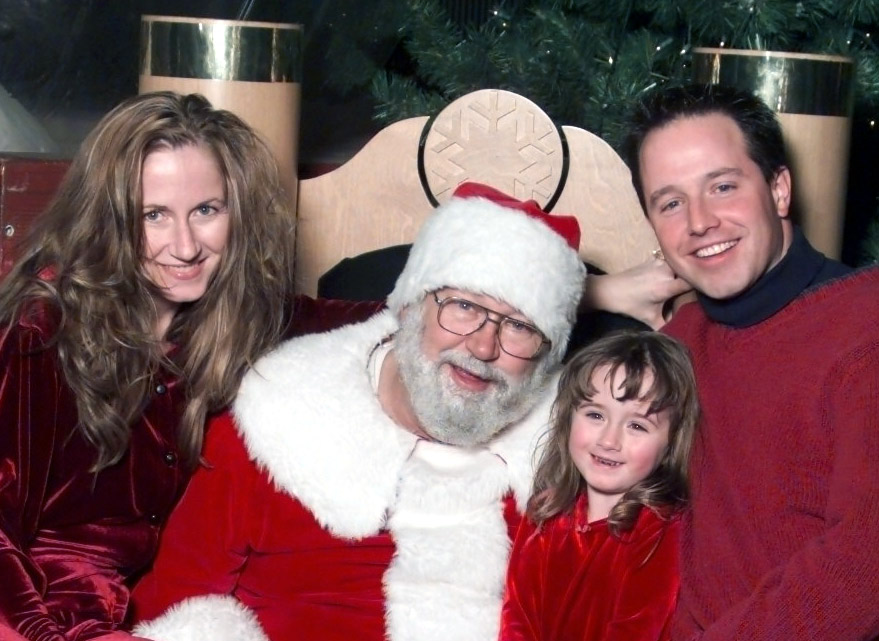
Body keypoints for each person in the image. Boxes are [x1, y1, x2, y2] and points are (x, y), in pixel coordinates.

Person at [129, 182, 587, 641]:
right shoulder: (276, 417)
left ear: (546, 358)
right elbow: (173, 608)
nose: (483, 347)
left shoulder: (575, 460)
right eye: (463, 307)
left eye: (520, 327)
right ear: (409, 308)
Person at [0, 92, 298, 641]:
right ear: (108, 221)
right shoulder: (39, 330)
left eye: (206, 210)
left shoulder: (225, 321)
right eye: (153, 216)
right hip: (47, 617)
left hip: (165, 611)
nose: (184, 246)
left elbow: (334, 321)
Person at [622, 83, 879, 640]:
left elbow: (863, 571)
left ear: (779, 190)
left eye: (722, 186)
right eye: (670, 202)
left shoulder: (864, 331)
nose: (700, 221)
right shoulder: (681, 342)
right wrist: (597, 293)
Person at [500, 330, 700, 641]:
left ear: (671, 444)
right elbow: (517, 624)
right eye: (595, 415)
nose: (609, 440)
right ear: (568, 419)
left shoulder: (660, 529)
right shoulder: (545, 513)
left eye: (637, 425)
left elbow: (637, 629)